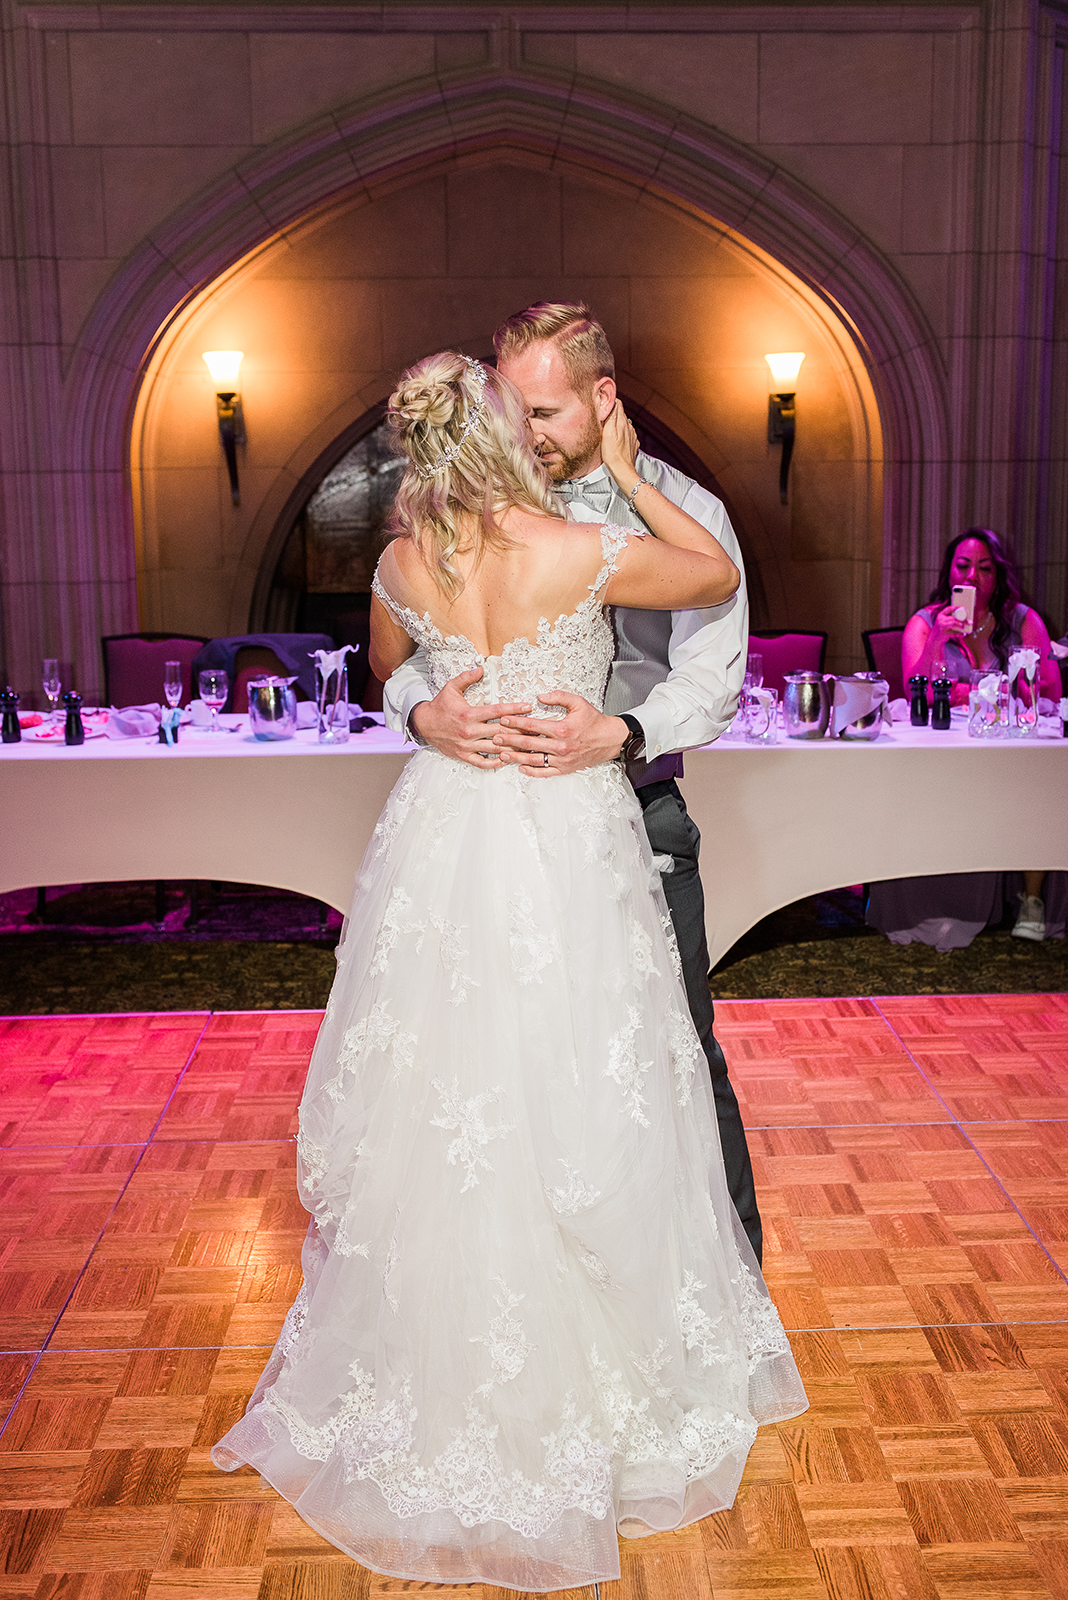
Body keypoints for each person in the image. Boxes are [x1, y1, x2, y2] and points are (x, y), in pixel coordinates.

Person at [212, 351, 807, 1591]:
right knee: (586, 1080)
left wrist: (428, 709)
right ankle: (601, 1354)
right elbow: (712, 570)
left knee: (456, 1086)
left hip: (447, 832)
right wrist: (633, 470)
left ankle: (451, 1355)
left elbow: (385, 665)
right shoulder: (566, 547)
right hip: (562, 830)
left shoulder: (396, 562)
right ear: (491, 434)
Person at [383, 301, 762, 1262]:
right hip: (497, 828)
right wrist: (428, 711)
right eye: (514, 411)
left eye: (546, 414)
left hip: (634, 807)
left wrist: (624, 731)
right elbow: (412, 650)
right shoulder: (484, 515)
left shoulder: (687, 512)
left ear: (604, 398)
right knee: (502, 1067)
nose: (528, 435)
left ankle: (721, 1275)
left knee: (669, 1053)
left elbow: (714, 678)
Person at [869, 528, 1064, 947]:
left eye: (985, 567)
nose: (973, 575)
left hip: (1009, 745)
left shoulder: (1023, 620)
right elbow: (914, 687)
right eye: (963, 565)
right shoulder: (926, 621)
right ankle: (941, 897)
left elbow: (1048, 690)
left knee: (1036, 781)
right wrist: (940, 641)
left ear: (998, 576)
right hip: (948, 746)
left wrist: (967, 691)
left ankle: (1031, 897)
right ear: (949, 571)